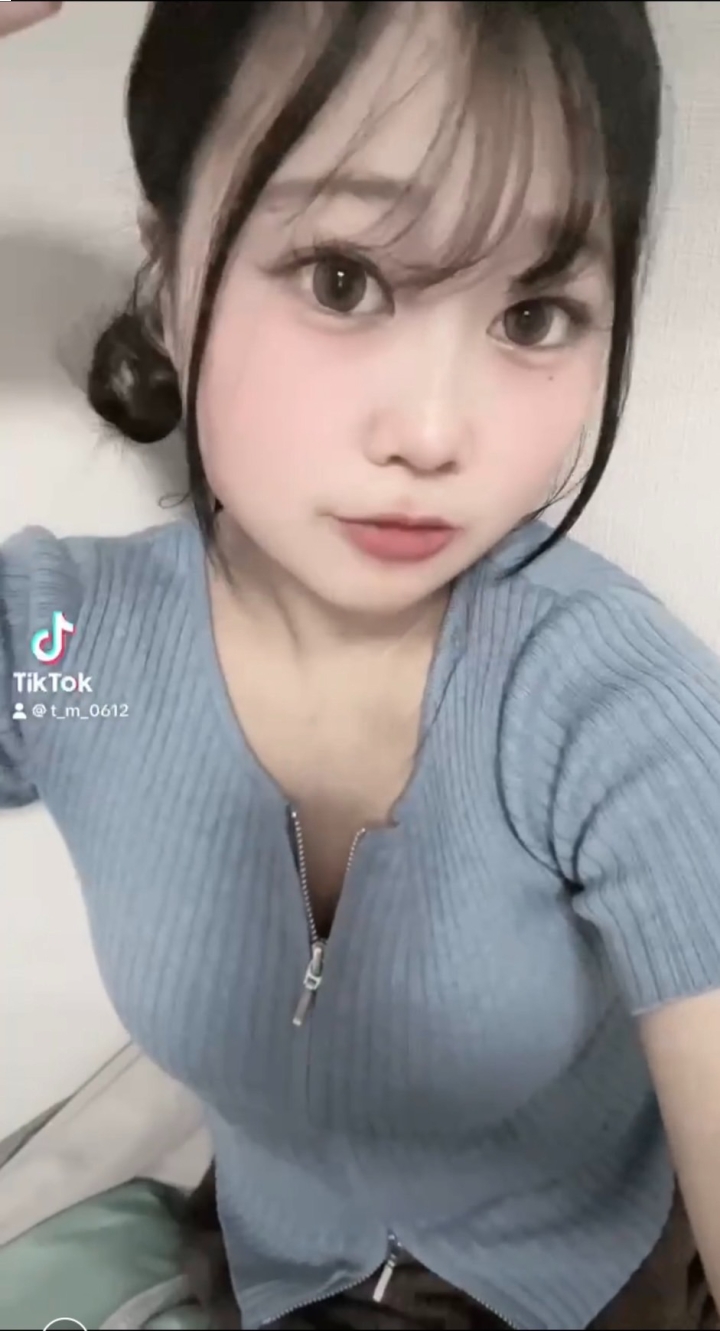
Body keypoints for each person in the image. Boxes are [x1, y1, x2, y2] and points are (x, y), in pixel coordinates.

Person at [2, 2, 720, 1328]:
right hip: (279, 1273)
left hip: (590, 1292)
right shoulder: (60, 649)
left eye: (536, 313)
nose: (436, 434)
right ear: (168, 268)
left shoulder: (617, 707)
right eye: (342, 279)